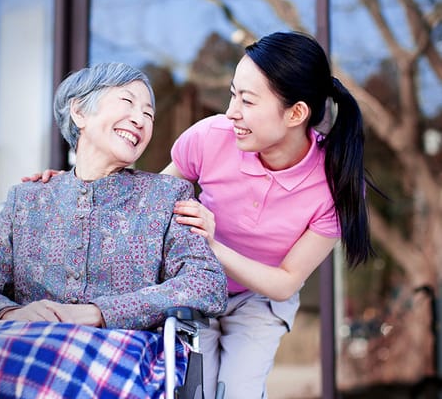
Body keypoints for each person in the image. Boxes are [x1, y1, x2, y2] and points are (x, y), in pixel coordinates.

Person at [24, 31, 375, 398]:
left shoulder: (335, 183)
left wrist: (212, 244)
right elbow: (142, 207)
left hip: (261, 299)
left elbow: (286, 281)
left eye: (248, 101)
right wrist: (74, 184)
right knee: (193, 388)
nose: (231, 112)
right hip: (192, 285)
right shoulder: (210, 137)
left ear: (296, 113)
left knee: (237, 391)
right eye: (233, 94)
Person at [0, 62, 227, 398]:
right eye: (127, 102)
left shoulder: (165, 196)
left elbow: (204, 282)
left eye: (149, 114)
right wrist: (10, 313)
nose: (140, 119)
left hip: (123, 352)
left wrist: (99, 314)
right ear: (79, 112)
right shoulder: (28, 200)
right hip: (19, 345)